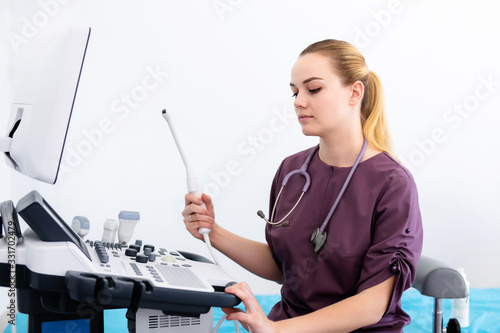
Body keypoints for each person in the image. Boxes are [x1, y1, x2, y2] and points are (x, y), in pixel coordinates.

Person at [182, 39, 423, 333]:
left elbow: (373, 304)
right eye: (294, 92)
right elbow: (284, 268)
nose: (298, 101)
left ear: (354, 92)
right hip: (287, 324)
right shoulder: (292, 171)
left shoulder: (393, 184)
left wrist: (277, 330)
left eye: (313, 89)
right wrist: (212, 231)